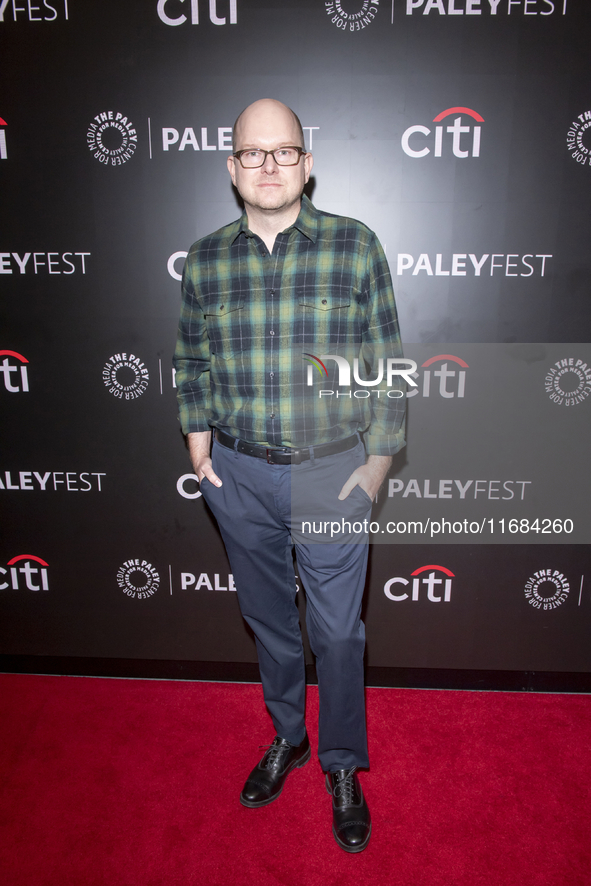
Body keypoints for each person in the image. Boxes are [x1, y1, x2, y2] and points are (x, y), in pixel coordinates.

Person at [173, 98, 405, 853]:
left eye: (282, 152)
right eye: (251, 153)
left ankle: (340, 761)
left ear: (306, 163)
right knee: (271, 625)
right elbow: (191, 360)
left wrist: (376, 462)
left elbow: (385, 364)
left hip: (332, 470)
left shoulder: (354, 246)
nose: (267, 166)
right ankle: (288, 738)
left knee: (337, 633)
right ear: (231, 166)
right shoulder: (206, 258)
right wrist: (198, 442)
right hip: (237, 474)